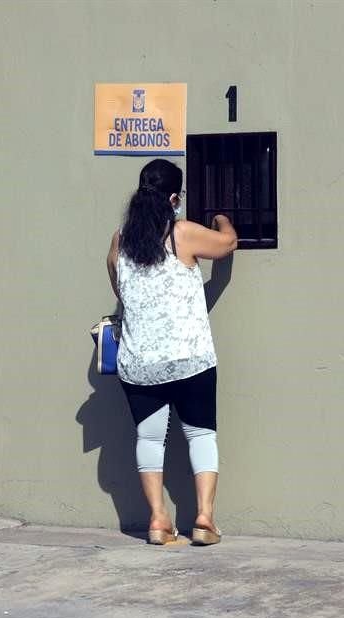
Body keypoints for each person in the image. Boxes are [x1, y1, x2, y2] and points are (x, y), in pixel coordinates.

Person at [106, 159, 237, 546]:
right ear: (174, 198)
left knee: (149, 440)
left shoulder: (120, 239)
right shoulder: (182, 234)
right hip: (189, 359)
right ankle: (204, 519)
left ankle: (159, 521)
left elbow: (119, 285)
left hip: (140, 363)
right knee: (200, 435)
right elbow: (227, 245)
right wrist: (223, 220)